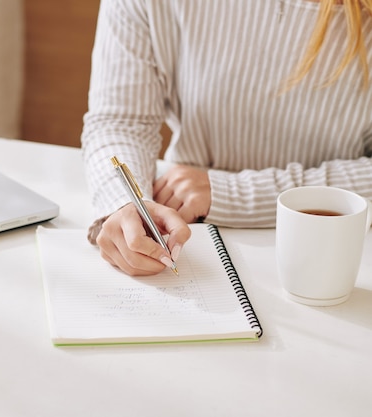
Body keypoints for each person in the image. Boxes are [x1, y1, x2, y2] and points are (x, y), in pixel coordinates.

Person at [81, 0, 372, 276]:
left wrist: (231, 193)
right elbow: (119, 121)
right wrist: (125, 204)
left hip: (337, 253)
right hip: (187, 234)